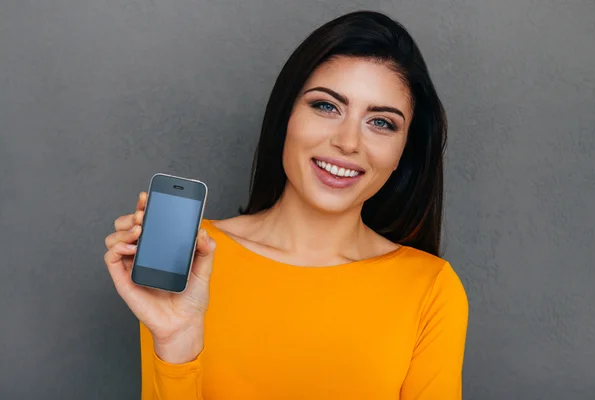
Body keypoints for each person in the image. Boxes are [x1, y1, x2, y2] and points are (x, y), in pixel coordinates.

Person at [104, 10, 468, 400]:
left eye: (381, 122)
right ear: (286, 117)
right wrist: (176, 344)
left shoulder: (430, 289)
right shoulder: (191, 257)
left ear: (403, 153)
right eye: (327, 106)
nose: (348, 142)